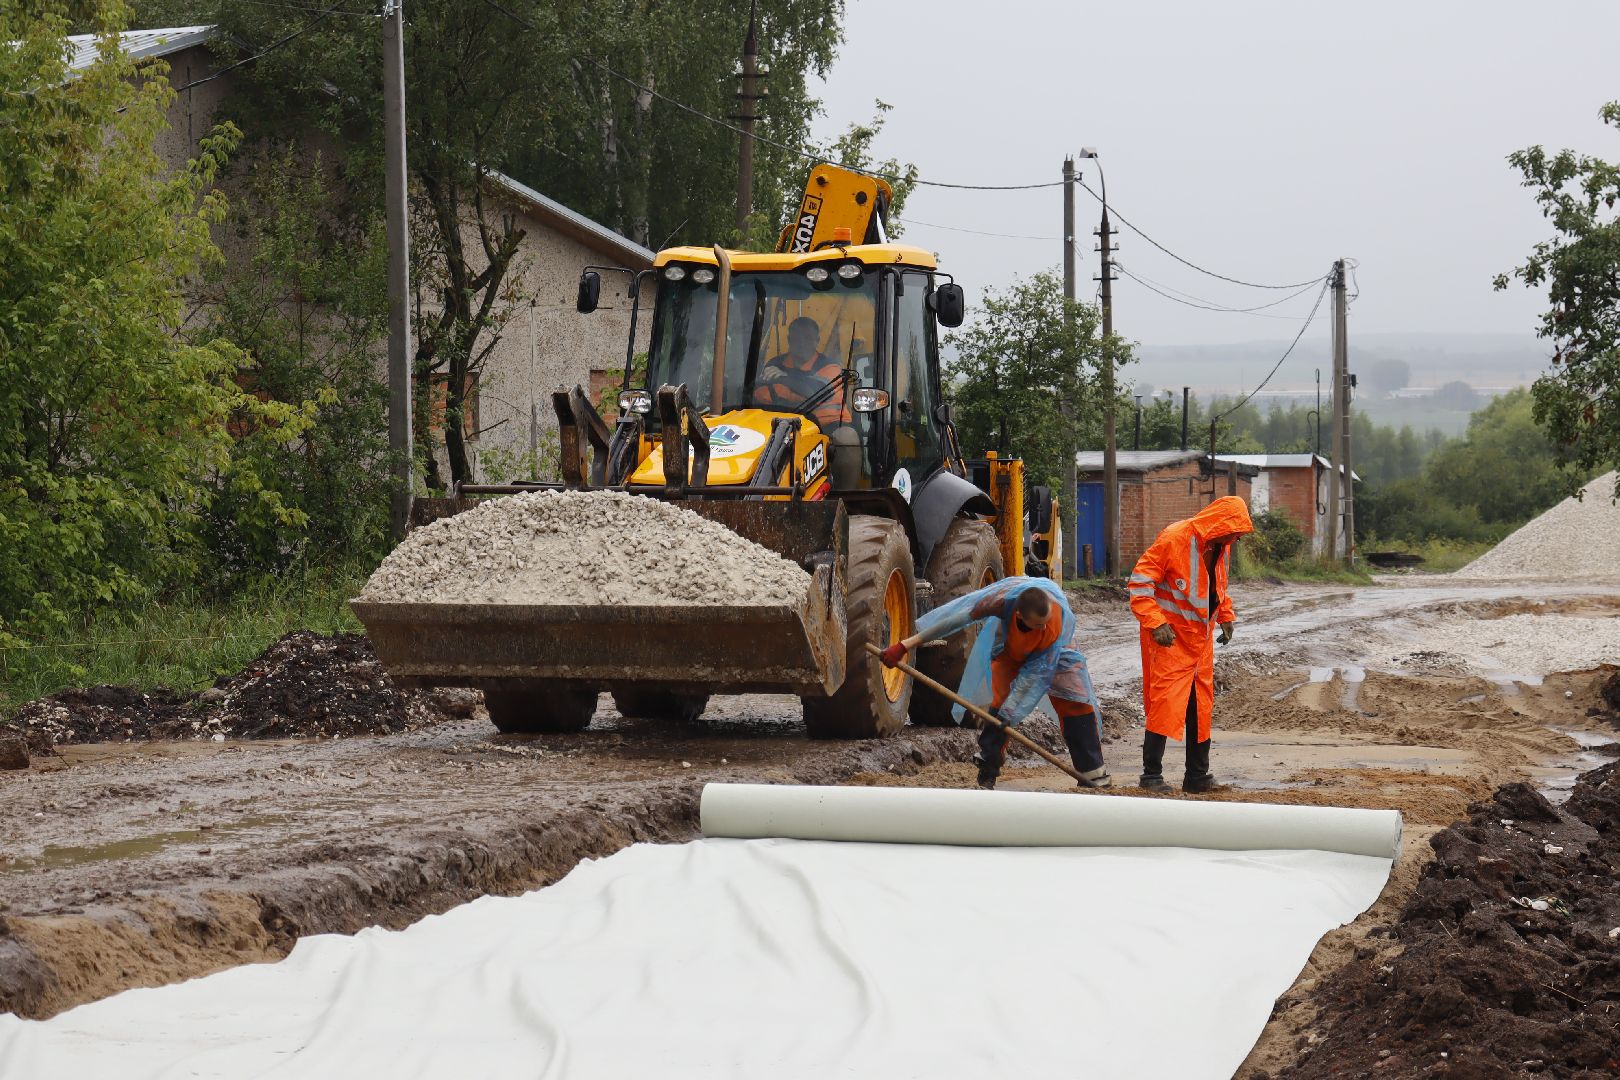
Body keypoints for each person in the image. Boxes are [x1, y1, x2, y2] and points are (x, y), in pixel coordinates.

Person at [881, 576, 1109, 790]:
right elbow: (953, 620)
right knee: (999, 703)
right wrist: (904, 646)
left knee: (1074, 700)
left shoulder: (1052, 624)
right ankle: (988, 769)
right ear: (1019, 615)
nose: (1043, 627)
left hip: (1056, 650)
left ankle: (1093, 775)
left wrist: (1012, 711)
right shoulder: (999, 602)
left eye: (1044, 623)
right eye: (1037, 625)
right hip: (1012, 649)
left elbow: (1034, 675)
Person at [1127, 495, 1254, 793]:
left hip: (1200, 641)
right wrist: (1156, 623)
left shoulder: (1221, 546)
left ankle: (1197, 776)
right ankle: (1151, 777)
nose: (1236, 538)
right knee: (1165, 702)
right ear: (1218, 524)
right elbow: (1140, 583)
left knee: (1200, 707)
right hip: (1171, 639)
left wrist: (1225, 615)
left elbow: (1217, 587)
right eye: (1234, 531)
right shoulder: (1175, 538)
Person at [754, 316, 860, 486]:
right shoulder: (774, 364)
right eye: (796, 338)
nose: (802, 343)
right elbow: (761, 395)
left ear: (817, 341)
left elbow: (816, 391)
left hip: (826, 427)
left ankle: (847, 500)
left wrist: (786, 380)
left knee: (847, 438)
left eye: (808, 338)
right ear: (789, 340)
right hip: (779, 426)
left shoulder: (830, 367)